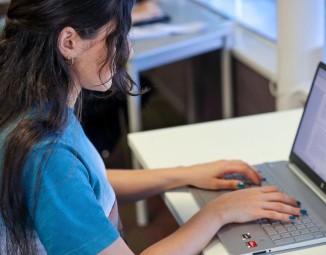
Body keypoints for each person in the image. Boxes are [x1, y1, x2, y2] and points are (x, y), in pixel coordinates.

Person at [0, 0, 303, 254]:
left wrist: (183, 174)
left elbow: (86, 184)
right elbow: (62, 178)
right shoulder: (46, 153)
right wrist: (219, 212)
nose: (127, 50)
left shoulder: (28, 101)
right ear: (69, 42)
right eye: (118, 36)